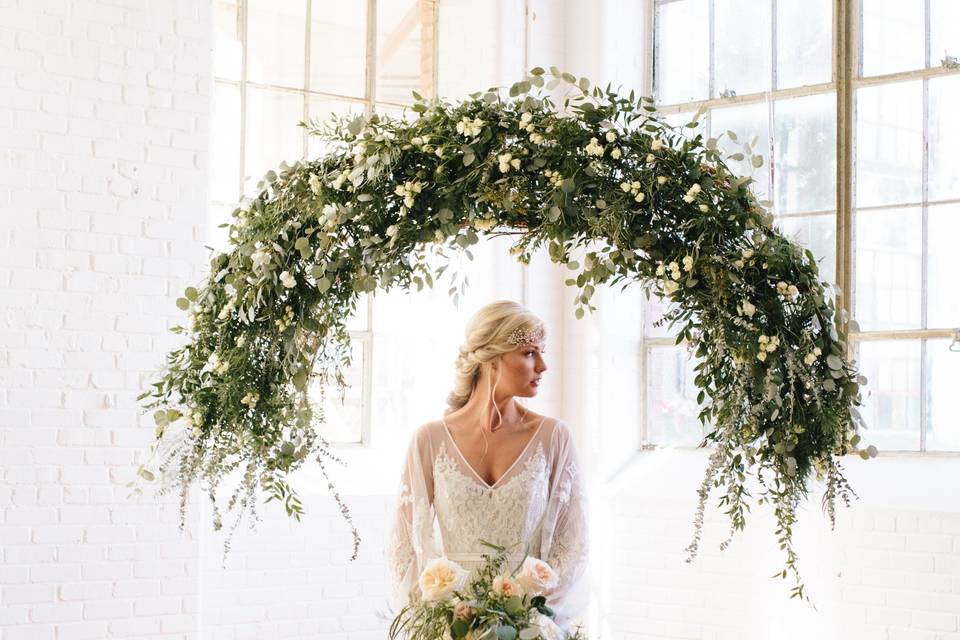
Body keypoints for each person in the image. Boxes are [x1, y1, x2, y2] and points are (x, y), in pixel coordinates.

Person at [384, 300, 589, 635]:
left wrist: (527, 622)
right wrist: (442, 620)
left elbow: (572, 546)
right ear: (493, 357)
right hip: (452, 626)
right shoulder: (429, 440)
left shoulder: (554, 438)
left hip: (528, 627)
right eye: (529, 352)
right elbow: (405, 549)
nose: (543, 365)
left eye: (542, 352)